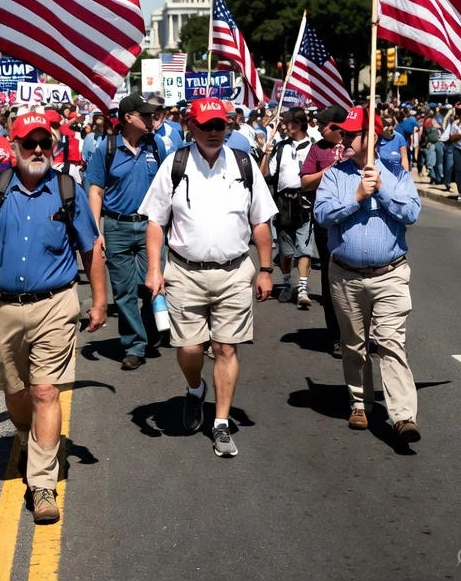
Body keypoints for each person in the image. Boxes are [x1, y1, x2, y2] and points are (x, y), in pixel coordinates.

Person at [0, 111, 107, 525]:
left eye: (45, 144)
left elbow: (91, 249)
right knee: (14, 389)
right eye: (29, 143)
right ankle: (26, 434)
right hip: (2, 306)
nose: (38, 150)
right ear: (13, 146)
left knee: (44, 392)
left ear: (53, 147)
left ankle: (42, 483)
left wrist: (99, 300)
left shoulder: (66, 189)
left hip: (55, 304)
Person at [141, 97, 277, 458]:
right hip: (185, 271)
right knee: (189, 349)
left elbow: (261, 222)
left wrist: (265, 270)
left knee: (225, 348)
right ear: (191, 127)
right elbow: (156, 220)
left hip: (235, 273)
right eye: (207, 126)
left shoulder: (244, 164)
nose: (215, 132)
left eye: (221, 125)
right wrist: (155, 269)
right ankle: (195, 387)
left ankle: (219, 422)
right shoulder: (176, 164)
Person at [313, 106, 422, 444]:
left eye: (351, 134)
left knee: (391, 342)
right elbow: (321, 215)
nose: (343, 139)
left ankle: (403, 416)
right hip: (345, 274)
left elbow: (412, 212)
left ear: (371, 137)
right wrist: (358, 195)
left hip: (390, 274)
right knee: (354, 344)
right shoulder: (334, 175)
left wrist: (382, 190)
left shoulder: (396, 173)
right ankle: (360, 401)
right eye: (342, 133)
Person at [86, 93, 166, 370]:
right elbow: (95, 190)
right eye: (144, 114)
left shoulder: (155, 146)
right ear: (128, 118)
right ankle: (134, 345)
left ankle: (150, 326)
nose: (150, 118)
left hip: (150, 228)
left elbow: (167, 187)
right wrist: (97, 231)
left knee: (151, 286)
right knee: (123, 291)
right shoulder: (105, 149)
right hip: (117, 226)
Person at [298, 105, 348, 358]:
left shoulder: (358, 148)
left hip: (355, 222)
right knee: (331, 280)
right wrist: (331, 169)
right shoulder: (318, 150)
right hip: (327, 224)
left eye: (323, 124)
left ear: (338, 126)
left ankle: (361, 334)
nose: (317, 128)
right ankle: (336, 336)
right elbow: (305, 181)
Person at [264, 107, 317, 309]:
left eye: (289, 123)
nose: (285, 126)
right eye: (284, 123)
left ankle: (302, 289)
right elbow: (267, 174)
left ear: (300, 124)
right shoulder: (280, 147)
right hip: (283, 203)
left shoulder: (312, 147)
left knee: (304, 248)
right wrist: (266, 154)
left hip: (304, 202)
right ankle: (287, 283)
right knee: (285, 250)